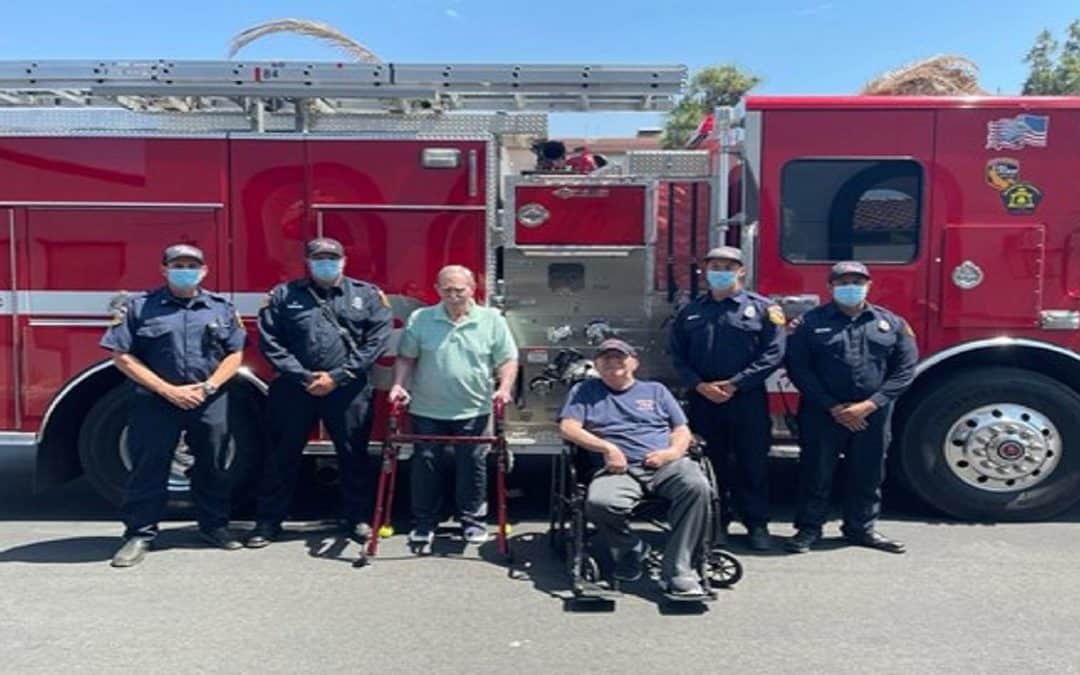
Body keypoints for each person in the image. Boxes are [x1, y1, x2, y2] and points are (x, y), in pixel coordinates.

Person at [101, 243, 246, 567]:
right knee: (148, 467)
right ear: (164, 270)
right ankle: (139, 535)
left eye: (191, 265)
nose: (185, 270)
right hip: (155, 400)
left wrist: (209, 387)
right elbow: (121, 356)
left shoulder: (220, 308)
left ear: (204, 270)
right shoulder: (139, 307)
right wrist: (168, 390)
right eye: (177, 264)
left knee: (213, 464)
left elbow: (235, 354)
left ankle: (214, 526)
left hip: (207, 398)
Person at [246, 238, 392, 548]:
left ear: (344, 260)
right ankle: (268, 522)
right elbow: (270, 340)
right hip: (294, 388)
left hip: (347, 387)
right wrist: (304, 376)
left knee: (353, 455)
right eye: (319, 258)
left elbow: (376, 340)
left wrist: (339, 375)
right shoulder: (284, 295)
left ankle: (358, 519)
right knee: (281, 455)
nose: (326, 263)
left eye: (331, 258)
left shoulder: (366, 295)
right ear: (308, 262)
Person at [559, 338, 713, 599]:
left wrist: (672, 453)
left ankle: (678, 571)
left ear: (634, 362)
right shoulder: (585, 391)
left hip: (666, 463)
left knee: (697, 487)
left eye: (620, 356)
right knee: (599, 502)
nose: (613, 362)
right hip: (619, 468)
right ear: (596, 364)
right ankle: (631, 547)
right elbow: (568, 427)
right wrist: (608, 449)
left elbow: (681, 429)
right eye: (606, 358)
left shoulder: (656, 391)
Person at [784, 261, 918, 554]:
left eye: (857, 282)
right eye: (843, 282)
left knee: (869, 471)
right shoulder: (809, 324)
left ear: (869, 286)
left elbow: (905, 370)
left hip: (872, 413)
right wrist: (832, 406)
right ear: (830, 287)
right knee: (816, 471)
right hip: (822, 411)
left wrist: (869, 405)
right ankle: (808, 529)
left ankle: (861, 528)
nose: (851, 287)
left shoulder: (892, 323)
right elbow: (799, 368)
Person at [389, 265, 518, 548]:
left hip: (474, 408)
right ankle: (424, 523)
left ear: (472, 289)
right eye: (447, 290)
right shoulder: (421, 318)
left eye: (459, 290)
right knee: (425, 465)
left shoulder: (491, 320)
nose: (454, 295)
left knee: (472, 466)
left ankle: (472, 522)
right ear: (437, 290)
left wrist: (504, 388)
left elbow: (507, 359)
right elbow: (407, 357)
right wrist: (399, 384)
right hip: (426, 407)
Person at [669, 246, 786, 550]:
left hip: (747, 400)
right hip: (704, 400)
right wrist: (699, 385)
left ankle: (756, 524)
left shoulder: (763, 309)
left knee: (752, 462)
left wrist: (736, 384)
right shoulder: (690, 311)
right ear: (706, 270)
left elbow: (773, 353)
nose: (720, 271)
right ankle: (715, 523)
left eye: (727, 266)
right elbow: (677, 354)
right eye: (714, 266)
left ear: (741, 271)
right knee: (709, 463)